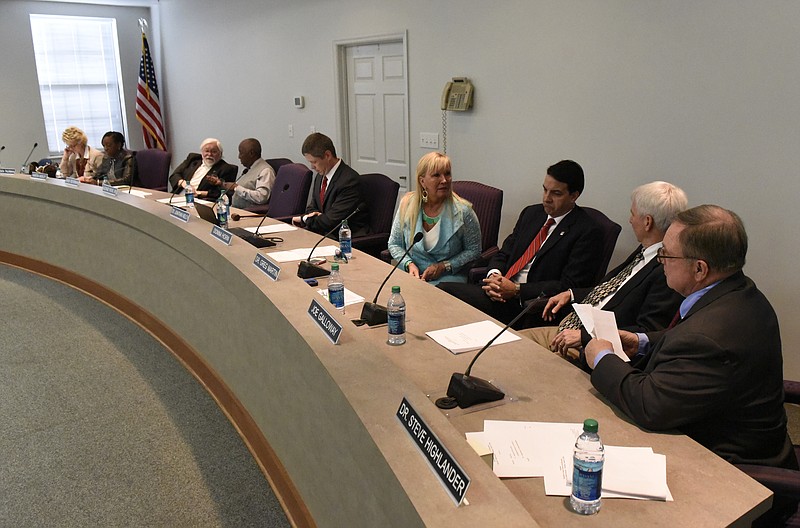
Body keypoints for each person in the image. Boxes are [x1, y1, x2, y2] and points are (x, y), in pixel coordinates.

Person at [585, 205, 796, 473]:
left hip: (730, 472)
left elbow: (649, 405)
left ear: (699, 269)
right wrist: (643, 341)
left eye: (666, 253)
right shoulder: (740, 292)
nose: (660, 260)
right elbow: (692, 335)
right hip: (734, 434)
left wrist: (602, 358)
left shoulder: (709, 338)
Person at [522, 181, 687, 361]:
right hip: (572, 326)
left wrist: (585, 338)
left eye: (633, 214)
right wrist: (571, 294)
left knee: (514, 354)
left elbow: (646, 333)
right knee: (508, 344)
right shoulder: (644, 251)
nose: (630, 220)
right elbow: (611, 289)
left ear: (647, 222)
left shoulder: (666, 271)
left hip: (588, 348)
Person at [438, 160, 604, 328]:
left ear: (574, 196)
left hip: (528, 305)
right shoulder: (532, 213)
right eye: (545, 190)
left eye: (556, 193)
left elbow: (568, 285)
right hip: (498, 291)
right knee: (442, 291)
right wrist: (494, 276)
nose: (547, 198)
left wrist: (516, 289)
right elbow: (504, 253)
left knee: (446, 293)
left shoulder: (587, 231)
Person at [388, 152, 481, 284]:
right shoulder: (407, 205)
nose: (444, 180)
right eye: (436, 175)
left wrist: (445, 266)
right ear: (422, 181)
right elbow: (394, 244)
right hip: (412, 274)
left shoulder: (463, 212)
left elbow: (474, 250)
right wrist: (408, 264)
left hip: (447, 279)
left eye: (447, 174)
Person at [292, 132, 369, 237]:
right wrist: (316, 217)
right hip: (321, 235)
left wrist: (304, 219)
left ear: (327, 155)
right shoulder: (320, 176)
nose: (312, 167)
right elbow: (311, 209)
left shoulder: (349, 181)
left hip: (345, 240)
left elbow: (330, 222)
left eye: (314, 162)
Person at [207, 138, 275, 209]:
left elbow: (261, 197)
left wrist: (236, 187)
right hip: (235, 211)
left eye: (241, 153)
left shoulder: (265, 171)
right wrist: (221, 184)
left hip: (248, 214)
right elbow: (239, 192)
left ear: (251, 153)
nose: (239, 157)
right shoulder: (248, 170)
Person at [168, 138, 238, 201]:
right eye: (206, 151)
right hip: (177, 196)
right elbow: (175, 175)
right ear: (202, 152)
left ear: (220, 154)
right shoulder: (193, 159)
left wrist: (199, 193)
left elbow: (222, 192)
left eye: (214, 152)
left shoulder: (226, 169)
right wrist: (186, 185)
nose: (209, 154)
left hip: (199, 200)